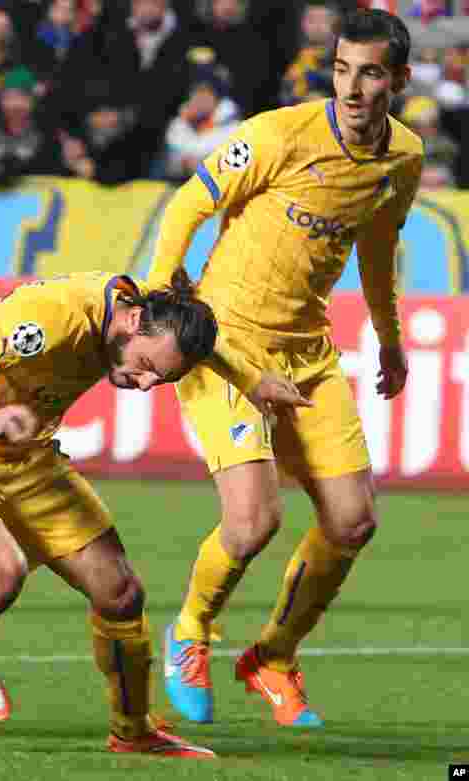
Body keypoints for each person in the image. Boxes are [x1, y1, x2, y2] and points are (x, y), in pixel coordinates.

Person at [0, 269, 307, 759]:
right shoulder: (52, 318)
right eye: (147, 364)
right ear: (131, 322)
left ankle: (133, 733)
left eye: (162, 377)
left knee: (121, 593)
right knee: (1, 573)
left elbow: (189, 338)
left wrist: (252, 379)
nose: (147, 383)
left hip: (27, 455)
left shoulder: (148, 313)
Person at [154, 9, 423, 728]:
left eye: (370, 73)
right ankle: (189, 632)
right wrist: (161, 284)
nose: (353, 88)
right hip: (227, 344)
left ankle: (271, 654)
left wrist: (389, 338)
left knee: (353, 519)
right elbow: (189, 202)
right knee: (252, 522)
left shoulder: (404, 158)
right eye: (342, 70)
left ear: (398, 79)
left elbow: (375, 249)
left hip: (307, 349)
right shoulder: (278, 133)